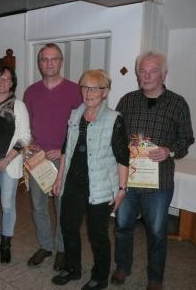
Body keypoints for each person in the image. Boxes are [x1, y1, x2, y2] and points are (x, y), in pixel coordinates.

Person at [112, 51, 194, 290]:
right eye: (142, 71)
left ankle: (155, 278)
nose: (146, 76)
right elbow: (116, 136)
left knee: (157, 232)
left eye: (153, 70)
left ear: (164, 73)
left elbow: (187, 138)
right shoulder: (127, 101)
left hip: (160, 181)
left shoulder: (177, 103)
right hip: (128, 178)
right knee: (123, 226)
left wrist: (169, 150)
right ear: (137, 74)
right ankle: (122, 266)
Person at [51, 70, 129, 290]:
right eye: (85, 87)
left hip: (100, 185)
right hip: (73, 182)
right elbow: (67, 148)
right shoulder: (76, 114)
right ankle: (73, 268)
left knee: (97, 234)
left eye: (95, 88)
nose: (89, 92)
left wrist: (122, 189)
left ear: (105, 92)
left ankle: (100, 276)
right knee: (68, 227)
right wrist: (60, 178)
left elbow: (123, 157)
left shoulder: (115, 119)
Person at [23, 43, 82, 271]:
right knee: (38, 205)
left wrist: (63, 150)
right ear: (39, 64)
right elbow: (27, 125)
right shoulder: (31, 91)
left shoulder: (75, 91)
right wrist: (30, 150)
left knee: (62, 206)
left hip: (62, 157)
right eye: (44, 59)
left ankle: (62, 249)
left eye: (53, 58)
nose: (49, 63)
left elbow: (80, 128)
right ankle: (45, 246)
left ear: (61, 61)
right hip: (37, 158)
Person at [0, 66, 31, 263]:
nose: (2, 82)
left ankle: (6, 244)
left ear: (12, 83)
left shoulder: (19, 106)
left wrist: (6, 160)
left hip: (9, 163)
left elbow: (25, 137)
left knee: (7, 204)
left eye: (7, 79)